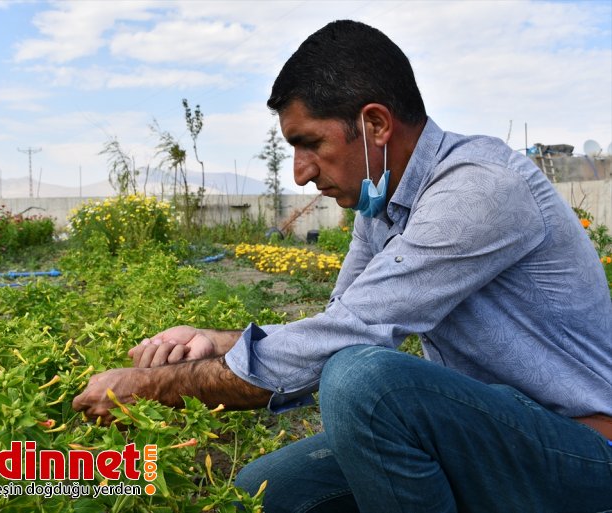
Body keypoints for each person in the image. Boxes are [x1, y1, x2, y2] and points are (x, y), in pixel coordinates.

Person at [73, 20, 612, 512]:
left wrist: (145, 386)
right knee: (261, 495)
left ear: (375, 124)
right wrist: (217, 341)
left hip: (580, 452)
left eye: (310, 144)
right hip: (479, 428)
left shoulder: (479, 189)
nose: (301, 173)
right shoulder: (381, 203)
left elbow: (345, 349)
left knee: (363, 383)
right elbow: (340, 325)